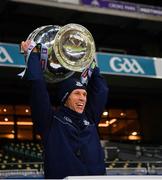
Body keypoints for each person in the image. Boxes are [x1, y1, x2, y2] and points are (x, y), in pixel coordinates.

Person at [21, 40, 108, 179]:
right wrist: (33, 56)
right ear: (65, 97)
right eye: (77, 93)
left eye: (84, 94)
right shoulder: (50, 121)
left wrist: (90, 63)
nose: (82, 98)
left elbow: (102, 91)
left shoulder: (90, 118)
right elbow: (38, 87)